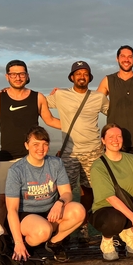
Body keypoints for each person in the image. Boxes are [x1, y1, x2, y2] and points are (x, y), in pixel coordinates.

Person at [0, 60, 61, 228]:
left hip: (34, 156)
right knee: (4, 199)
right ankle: (2, 235)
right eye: (13, 74)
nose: (18, 77)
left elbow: (49, 120)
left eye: (21, 74)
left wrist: (76, 126)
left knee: (35, 198)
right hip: (8, 156)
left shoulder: (38, 97)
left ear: (27, 76)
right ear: (7, 77)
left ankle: (36, 231)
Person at [47, 61, 109, 242]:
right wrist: (8, 93)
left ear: (89, 77)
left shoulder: (99, 97)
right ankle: (60, 226)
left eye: (85, 74)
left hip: (93, 151)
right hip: (69, 152)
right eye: (78, 73)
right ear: (72, 77)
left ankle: (83, 226)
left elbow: (115, 112)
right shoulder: (61, 95)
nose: (82, 76)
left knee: (89, 191)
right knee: (63, 192)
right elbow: (37, 102)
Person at [5, 126, 85, 262]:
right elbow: (12, 209)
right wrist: (18, 241)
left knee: (79, 211)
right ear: (26, 145)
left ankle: (54, 242)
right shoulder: (17, 170)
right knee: (43, 230)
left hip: (50, 210)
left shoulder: (55, 163)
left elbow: (67, 193)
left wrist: (60, 203)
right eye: (35, 144)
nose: (41, 148)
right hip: (27, 215)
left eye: (45, 144)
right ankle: (26, 245)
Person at [90, 124, 133, 261]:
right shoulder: (98, 165)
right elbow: (110, 198)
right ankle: (107, 241)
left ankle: (129, 235)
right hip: (106, 211)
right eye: (111, 137)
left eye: (119, 136)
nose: (115, 140)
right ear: (103, 140)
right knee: (115, 219)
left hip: (129, 205)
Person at [96, 46, 133, 161]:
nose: (126, 60)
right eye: (123, 56)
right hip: (114, 139)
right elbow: (92, 102)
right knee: (117, 176)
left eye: (130, 57)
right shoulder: (108, 80)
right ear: (117, 58)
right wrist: (62, 93)